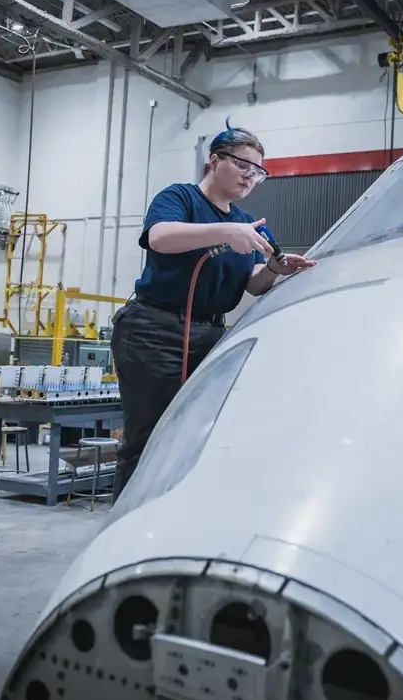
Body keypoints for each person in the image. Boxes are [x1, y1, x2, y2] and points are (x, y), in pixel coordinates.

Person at [109, 122, 316, 498]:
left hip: (210, 336)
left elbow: (251, 282)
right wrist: (224, 233)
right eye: (242, 165)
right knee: (151, 436)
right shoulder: (182, 198)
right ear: (214, 161)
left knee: (199, 437)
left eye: (258, 172)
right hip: (154, 331)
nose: (250, 177)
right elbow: (159, 237)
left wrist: (274, 268)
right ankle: (127, 531)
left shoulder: (245, 224)